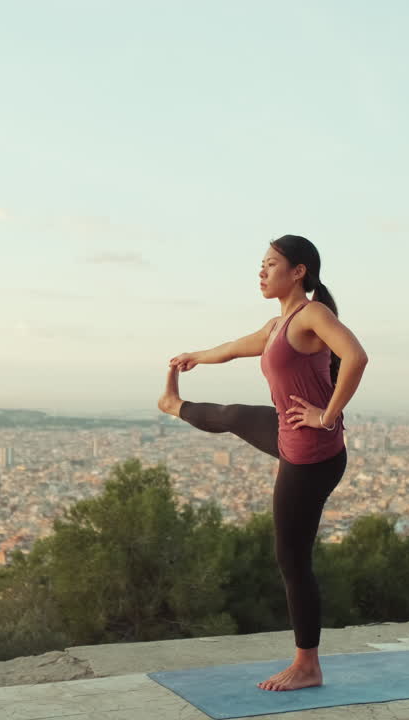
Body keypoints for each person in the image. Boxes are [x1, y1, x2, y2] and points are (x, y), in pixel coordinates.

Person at [157, 234, 369, 692]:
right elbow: (233, 347)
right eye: (261, 263)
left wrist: (327, 415)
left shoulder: (312, 314)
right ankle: (172, 404)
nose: (262, 271)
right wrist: (196, 355)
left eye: (271, 264)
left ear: (299, 272)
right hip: (288, 434)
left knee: (291, 559)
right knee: (233, 414)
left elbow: (356, 356)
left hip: (311, 455)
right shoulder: (278, 326)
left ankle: (307, 665)